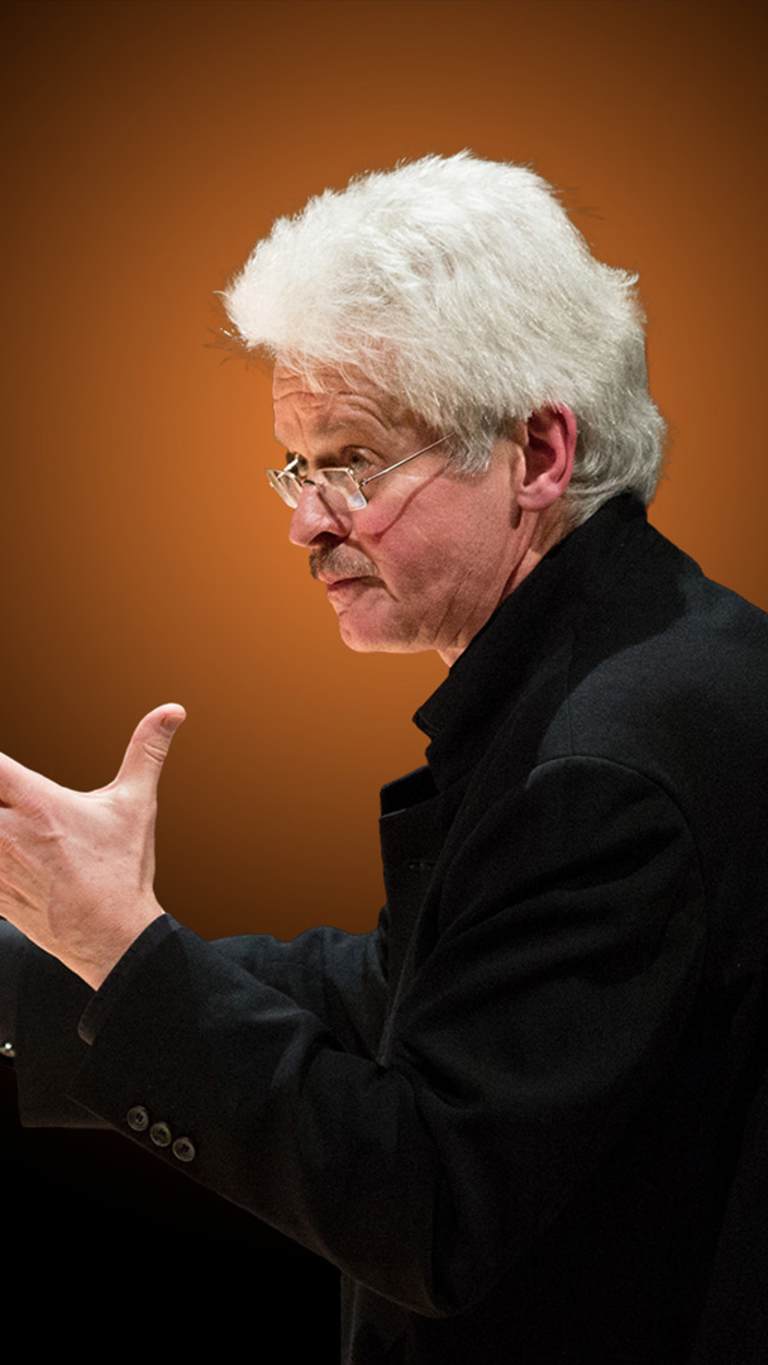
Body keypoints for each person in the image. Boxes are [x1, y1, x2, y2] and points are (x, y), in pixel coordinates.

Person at [1, 151, 767, 1364]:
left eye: (351, 461)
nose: (305, 521)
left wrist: (120, 948)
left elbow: (432, 1203)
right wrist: (52, 968)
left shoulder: (605, 769)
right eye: (296, 466)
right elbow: (421, 991)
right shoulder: (661, 647)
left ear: (539, 454)